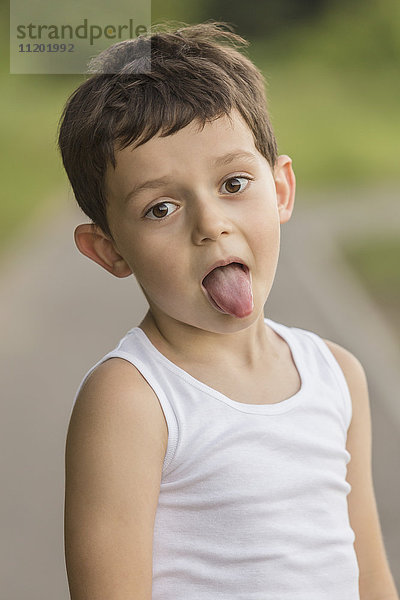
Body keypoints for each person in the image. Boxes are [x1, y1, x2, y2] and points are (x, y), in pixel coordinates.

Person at [58, 21, 398, 600]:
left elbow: (368, 572)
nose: (210, 223)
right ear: (110, 250)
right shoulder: (133, 400)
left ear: (282, 189)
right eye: (161, 208)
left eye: (235, 182)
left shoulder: (337, 375)